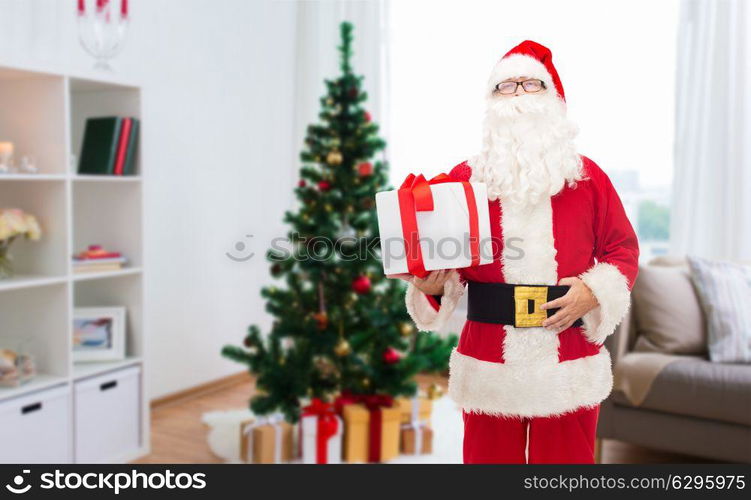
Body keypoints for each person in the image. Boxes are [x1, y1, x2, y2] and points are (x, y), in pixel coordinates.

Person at [404, 40, 639, 464]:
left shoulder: (588, 179)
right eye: (506, 86)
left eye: (530, 83)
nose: (518, 95)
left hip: (567, 355)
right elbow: (444, 267)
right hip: (489, 358)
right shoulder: (464, 180)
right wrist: (430, 286)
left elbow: (622, 249)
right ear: (491, 102)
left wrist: (594, 291)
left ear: (553, 99)